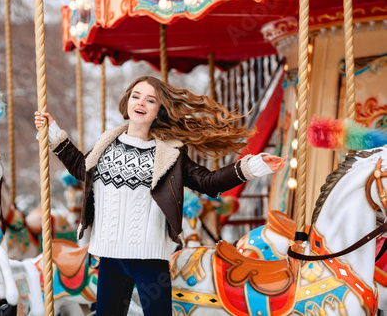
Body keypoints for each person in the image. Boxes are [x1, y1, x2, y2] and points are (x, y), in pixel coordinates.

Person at [34, 76, 286, 316]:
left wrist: (253, 166)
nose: (141, 102)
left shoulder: (169, 154)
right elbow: (81, 168)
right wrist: (52, 131)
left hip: (150, 260)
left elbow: (208, 182)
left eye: (150, 100)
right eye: (136, 96)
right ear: (127, 102)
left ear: (159, 110)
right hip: (109, 258)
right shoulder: (107, 144)